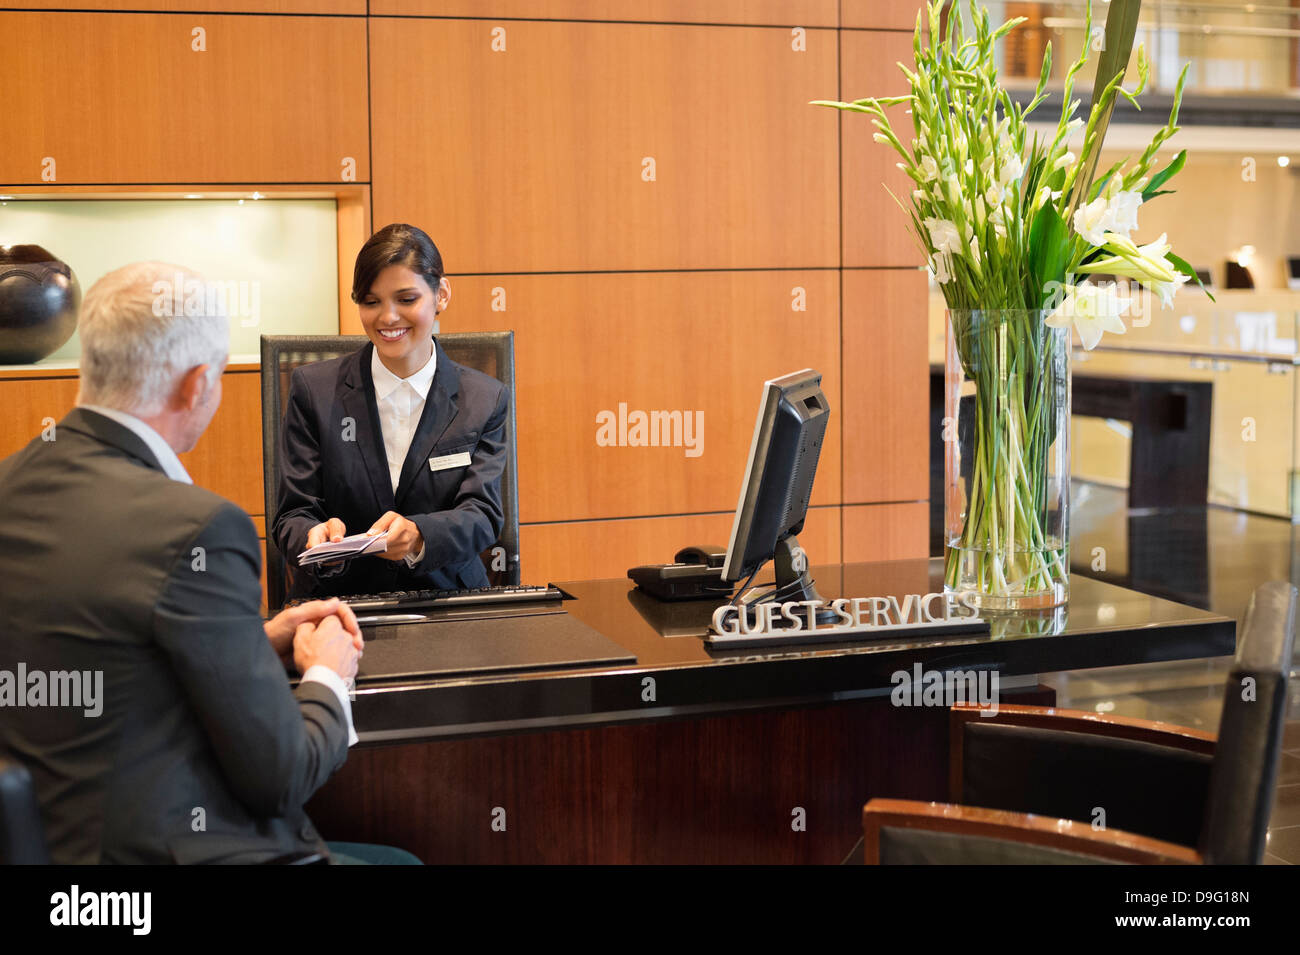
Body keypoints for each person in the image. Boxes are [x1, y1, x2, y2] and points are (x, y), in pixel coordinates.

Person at [0, 262, 415, 864]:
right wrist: (329, 673)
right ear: (197, 384)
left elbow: (100, 647)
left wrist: (247, 640)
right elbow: (280, 777)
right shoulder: (196, 528)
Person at [273, 223, 508, 601]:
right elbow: (293, 515)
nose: (387, 317)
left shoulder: (485, 397)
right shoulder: (313, 390)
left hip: (448, 602)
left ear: (441, 294)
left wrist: (419, 536)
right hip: (341, 602)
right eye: (371, 302)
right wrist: (312, 539)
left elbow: (482, 515)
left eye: (406, 299)